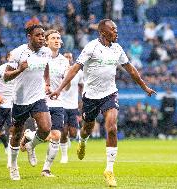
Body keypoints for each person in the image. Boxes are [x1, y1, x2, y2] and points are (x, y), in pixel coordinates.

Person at [50, 19, 156, 187]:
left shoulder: (117, 48)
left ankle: (109, 170)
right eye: (113, 29)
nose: (117, 32)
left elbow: (131, 70)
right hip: (91, 96)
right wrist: (59, 89)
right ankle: (82, 141)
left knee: (112, 127)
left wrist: (145, 87)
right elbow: (75, 68)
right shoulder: (91, 47)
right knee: (86, 129)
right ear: (103, 32)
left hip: (109, 93)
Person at [4, 25, 52, 180]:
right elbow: (6, 76)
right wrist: (19, 70)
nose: (42, 38)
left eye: (43, 36)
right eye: (38, 35)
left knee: (45, 129)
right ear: (29, 37)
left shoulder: (46, 51)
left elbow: (46, 67)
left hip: (38, 96)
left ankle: (30, 145)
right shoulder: (18, 53)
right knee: (17, 134)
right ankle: (13, 166)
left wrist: (47, 82)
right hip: (20, 99)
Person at [39, 30, 70, 177]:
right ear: (46, 41)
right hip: (40, 101)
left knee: (56, 135)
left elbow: (67, 87)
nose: (57, 40)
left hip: (58, 102)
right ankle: (29, 138)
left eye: (58, 38)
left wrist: (68, 78)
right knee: (44, 135)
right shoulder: (40, 57)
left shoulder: (65, 61)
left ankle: (46, 169)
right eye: (53, 38)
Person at [60, 52, 83, 164]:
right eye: (66, 57)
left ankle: (69, 139)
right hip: (61, 104)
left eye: (70, 57)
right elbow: (65, 88)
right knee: (63, 131)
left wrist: (82, 99)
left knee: (73, 133)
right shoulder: (58, 71)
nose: (68, 59)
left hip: (73, 106)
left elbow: (82, 85)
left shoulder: (78, 72)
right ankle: (64, 156)